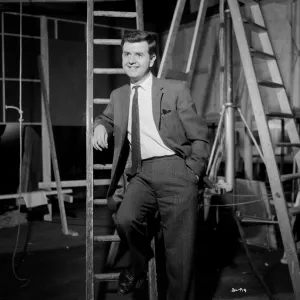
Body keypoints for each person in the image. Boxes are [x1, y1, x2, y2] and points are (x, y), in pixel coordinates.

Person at [93, 30, 209, 300]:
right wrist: (99, 126)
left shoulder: (174, 89)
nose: (131, 60)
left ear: (152, 59)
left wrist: (193, 172)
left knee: (179, 256)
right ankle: (138, 264)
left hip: (177, 171)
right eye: (127, 54)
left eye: (139, 54)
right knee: (125, 219)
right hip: (141, 174)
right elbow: (107, 119)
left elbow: (199, 134)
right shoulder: (119, 95)